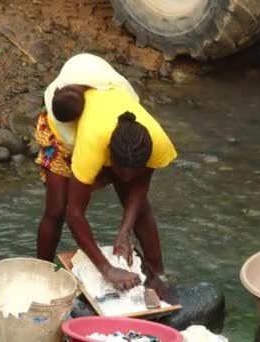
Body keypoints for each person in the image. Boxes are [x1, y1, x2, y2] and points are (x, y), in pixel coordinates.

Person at [35, 54, 177, 292]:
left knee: (140, 209)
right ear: (109, 158)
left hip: (113, 133)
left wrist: (123, 235)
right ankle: (40, 273)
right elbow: (75, 213)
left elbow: (139, 188)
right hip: (62, 134)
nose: (128, 179)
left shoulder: (156, 142)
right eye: (121, 173)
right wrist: (106, 269)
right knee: (57, 208)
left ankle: (158, 275)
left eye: (135, 173)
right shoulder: (92, 147)